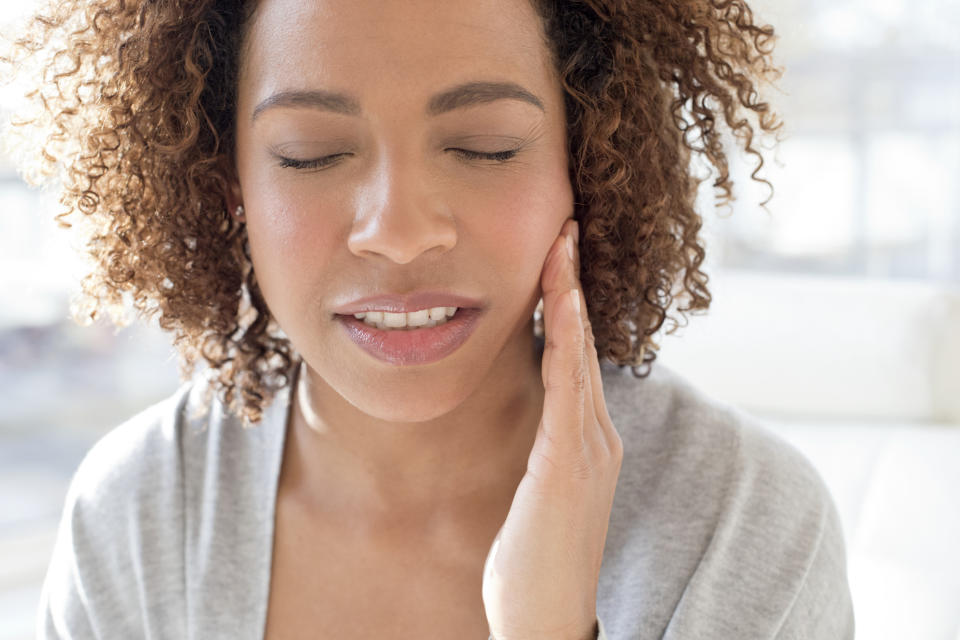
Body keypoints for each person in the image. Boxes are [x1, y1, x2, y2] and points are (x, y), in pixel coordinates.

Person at [1, 0, 854, 638]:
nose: (400, 234)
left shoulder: (746, 527)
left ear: (585, 159)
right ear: (229, 187)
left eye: (485, 146)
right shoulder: (141, 516)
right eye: (311, 154)